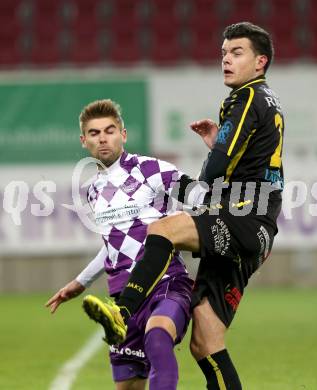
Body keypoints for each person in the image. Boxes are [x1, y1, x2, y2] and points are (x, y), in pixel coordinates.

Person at [88, 22, 285, 390]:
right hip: (255, 223)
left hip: (243, 215)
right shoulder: (266, 102)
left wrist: (207, 180)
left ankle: (124, 311)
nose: (226, 59)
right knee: (204, 342)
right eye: (224, 53)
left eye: (236, 52)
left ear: (261, 62)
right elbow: (260, 166)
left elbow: (217, 168)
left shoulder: (246, 98)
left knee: (163, 229)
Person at [45, 99, 204, 390]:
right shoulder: (93, 190)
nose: (103, 138)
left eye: (110, 130)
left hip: (165, 282)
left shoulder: (152, 170)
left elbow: (201, 197)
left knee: (158, 339)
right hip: (122, 301)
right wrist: (80, 282)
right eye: (94, 133)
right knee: (128, 386)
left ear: (124, 134)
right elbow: (111, 243)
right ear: (84, 141)